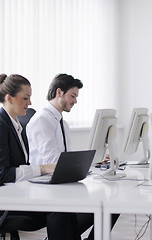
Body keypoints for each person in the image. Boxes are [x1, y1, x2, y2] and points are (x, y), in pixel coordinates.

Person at [26, 73, 118, 239]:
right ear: (59, 92)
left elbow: (65, 159)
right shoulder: (42, 120)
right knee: (103, 204)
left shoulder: (62, 123)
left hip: (60, 182)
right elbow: (52, 161)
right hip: (45, 185)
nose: (75, 101)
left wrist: (93, 160)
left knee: (112, 205)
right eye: (73, 95)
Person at [0, 74, 81, 240]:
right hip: (6, 202)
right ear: (9, 98)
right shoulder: (1, 125)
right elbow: (3, 174)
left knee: (64, 203)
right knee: (60, 206)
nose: (30, 103)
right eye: (26, 98)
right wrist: (43, 168)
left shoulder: (16, 125)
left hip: (17, 192)